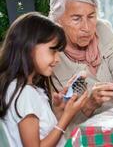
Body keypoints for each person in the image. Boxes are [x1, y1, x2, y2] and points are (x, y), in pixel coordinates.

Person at [49, 0, 113, 124]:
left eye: (91, 16)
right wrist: (89, 105)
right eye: (76, 19)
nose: (86, 27)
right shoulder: (51, 59)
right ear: (58, 21)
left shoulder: (103, 32)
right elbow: (58, 125)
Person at [0, 12, 87, 147]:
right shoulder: (25, 94)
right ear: (29, 47)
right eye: (53, 51)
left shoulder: (20, 88)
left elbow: (43, 132)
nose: (58, 59)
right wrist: (66, 117)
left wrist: (58, 113)